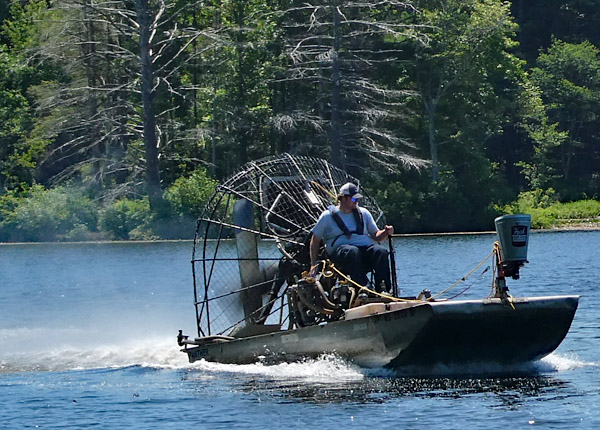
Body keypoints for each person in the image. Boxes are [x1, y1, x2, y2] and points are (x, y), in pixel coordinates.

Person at [309, 182, 394, 293]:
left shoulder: (364, 213)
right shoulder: (327, 216)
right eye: (354, 200)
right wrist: (313, 265)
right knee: (352, 252)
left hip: (363, 251)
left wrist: (386, 232)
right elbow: (315, 241)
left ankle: (383, 290)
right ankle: (363, 288)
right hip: (341, 254)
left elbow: (377, 236)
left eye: (357, 199)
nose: (357, 202)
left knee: (380, 251)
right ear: (343, 199)